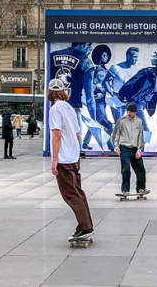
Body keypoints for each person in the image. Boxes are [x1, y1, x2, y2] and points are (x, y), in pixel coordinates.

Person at [49, 78, 94, 241]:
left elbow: (56, 135)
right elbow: (76, 134)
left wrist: (55, 160)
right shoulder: (69, 108)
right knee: (78, 192)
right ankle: (85, 224)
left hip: (64, 158)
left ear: (50, 92)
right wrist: (76, 151)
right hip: (73, 156)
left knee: (70, 194)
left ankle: (85, 226)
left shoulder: (55, 109)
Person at [119, 48, 157, 135]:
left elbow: (155, 90)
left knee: (137, 131)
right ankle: (140, 148)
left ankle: (137, 148)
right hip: (135, 103)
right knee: (145, 130)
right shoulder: (147, 72)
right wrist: (121, 96)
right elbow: (130, 82)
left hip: (142, 105)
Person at [84, 45, 116, 150]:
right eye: (103, 55)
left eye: (107, 55)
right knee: (105, 123)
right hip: (97, 100)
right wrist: (99, 88)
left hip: (103, 100)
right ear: (99, 56)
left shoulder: (106, 71)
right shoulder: (95, 70)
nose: (105, 57)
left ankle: (85, 142)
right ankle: (111, 146)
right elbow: (92, 84)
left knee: (96, 122)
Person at [111, 103, 148, 196]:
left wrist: (139, 149)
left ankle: (141, 188)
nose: (129, 113)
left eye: (131, 112)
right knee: (126, 169)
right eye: (128, 111)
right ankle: (125, 189)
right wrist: (116, 146)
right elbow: (116, 134)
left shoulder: (139, 122)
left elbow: (141, 136)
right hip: (124, 148)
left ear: (135, 112)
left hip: (135, 148)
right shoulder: (121, 121)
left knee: (140, 169)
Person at [107, 47, 140, 122]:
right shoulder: (116, 68)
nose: (136, 59)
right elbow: (105, 82)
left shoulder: (135, 70)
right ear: (128, 56)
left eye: (137, 57)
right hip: (117, 100)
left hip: (129, 100)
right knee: (119, 123)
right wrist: (112, 94)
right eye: (135, 57)